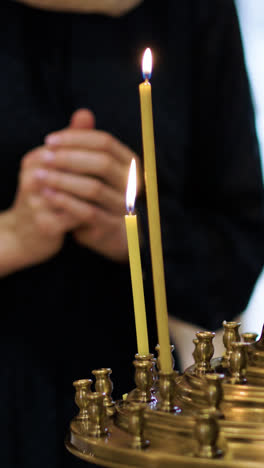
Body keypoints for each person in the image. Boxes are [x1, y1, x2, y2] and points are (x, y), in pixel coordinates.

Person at [0, 0, 264, 467]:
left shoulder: (194, 12)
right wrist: (14, 236)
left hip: (143, 414)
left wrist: (143, 235)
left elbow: (239, 251)